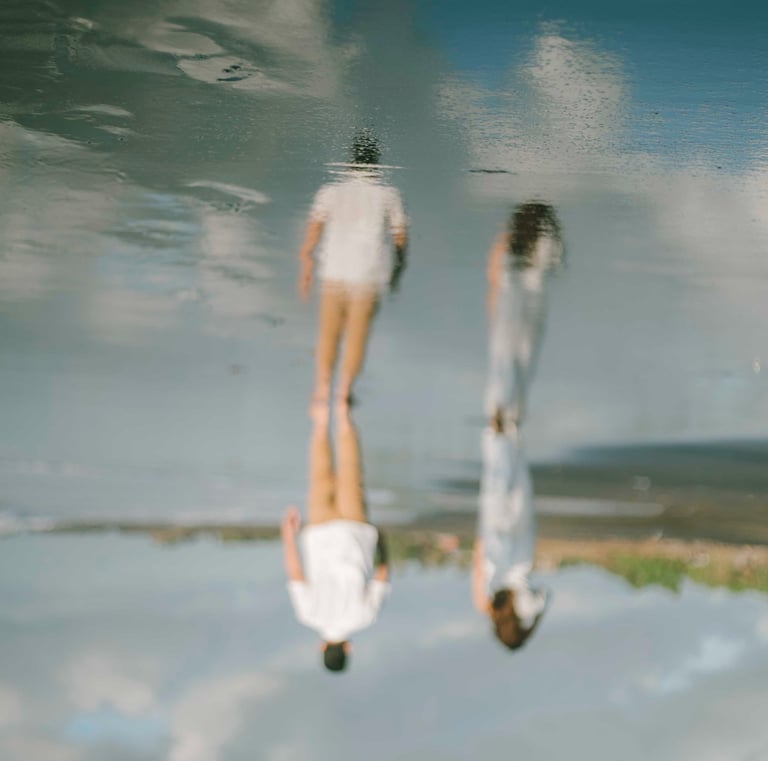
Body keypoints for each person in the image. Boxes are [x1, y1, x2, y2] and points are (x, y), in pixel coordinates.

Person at [297, 129, 408, 407]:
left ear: (350, 161)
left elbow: (312, 231)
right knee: (357, 334)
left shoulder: (331, 191)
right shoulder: (388, 194)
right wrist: (398, 271)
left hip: (333, 270)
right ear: (377, 162)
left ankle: (322, 387)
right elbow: (400, 237)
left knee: (327, 332)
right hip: (368, 276)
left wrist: (306, 267)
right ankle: (344, 392)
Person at [281, 405, 390, 672]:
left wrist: (381, 542)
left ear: (348, 648)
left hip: (355, 530)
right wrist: (287, 534)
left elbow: (382, 574)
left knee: (351, 468)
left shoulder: (365, 618)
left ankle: (342, 415)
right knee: (319, 473)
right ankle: (320, 419)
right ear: (321, 647)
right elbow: (295, 572)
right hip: (319, 532)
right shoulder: (307, 615)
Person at [485, 201, 564, 429]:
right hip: (533, 304)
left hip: (507, 302)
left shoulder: (508, 237)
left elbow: (493, 276)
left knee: (501, 357)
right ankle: (515, 415)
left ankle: (497, 410)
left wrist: (491, 308)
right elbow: (556, 265)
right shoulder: (549, 237)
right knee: (525, 360)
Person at [471, 420, 548, 650]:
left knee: (520, 492)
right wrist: (480, 541)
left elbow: (545, 595)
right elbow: (476, 568)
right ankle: (494, 435)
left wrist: (533, 624)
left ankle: (513, 438)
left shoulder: (526, 610)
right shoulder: (486, 604)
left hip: (520, 556)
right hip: (493, 550)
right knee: (494, 487)